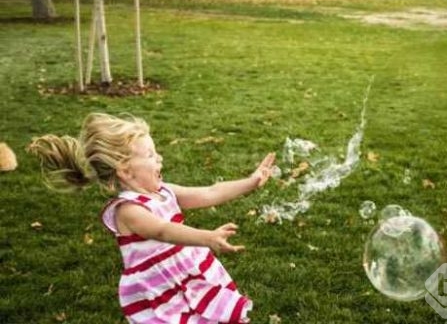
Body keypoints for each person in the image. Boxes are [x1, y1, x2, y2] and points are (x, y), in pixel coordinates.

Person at [28, 113, 275, 324]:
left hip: (190, 274)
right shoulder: (128, 210)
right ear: (125, 170)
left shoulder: (164, 191)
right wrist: (206, 237)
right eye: (150, 155)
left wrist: (251, 182)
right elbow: (162, 231)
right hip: (159, 290)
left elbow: (209, 192)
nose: (160, 159)